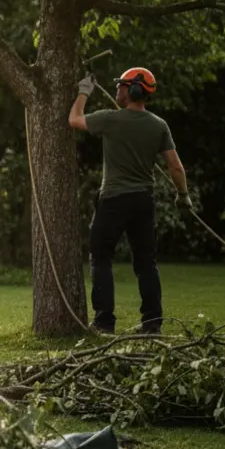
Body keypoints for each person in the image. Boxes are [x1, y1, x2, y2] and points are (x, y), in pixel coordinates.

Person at [68, 67, 190, 334]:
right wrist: (184, 196)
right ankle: (152, 324)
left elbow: (74, 119)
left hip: (113, 200)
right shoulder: (159, 125)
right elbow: (176, 168)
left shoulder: (110, 119)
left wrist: (83, 92)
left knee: (100, 256)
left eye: (121, 86)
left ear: (133, 90)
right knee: (146, 262)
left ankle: (103, 322)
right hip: (144, 201)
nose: (117, 91)